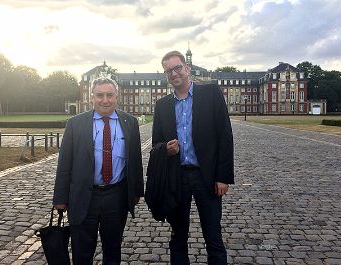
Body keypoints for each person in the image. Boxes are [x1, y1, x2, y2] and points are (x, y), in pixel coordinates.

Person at [151, 51, 234, 264]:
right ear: (165, 75)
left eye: (177, 68)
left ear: (187, 68)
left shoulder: (211, 93)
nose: (174, 73)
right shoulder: (162, 105)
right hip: (176, 178)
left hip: (206, 176)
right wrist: (165, 149)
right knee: (178, 236)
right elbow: (155, 145)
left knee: (213, 236)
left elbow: (225, 135)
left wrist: (223, 177)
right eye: (169, 70)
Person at [53, 77, 144, 265]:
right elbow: (64, 164)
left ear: (117, 97)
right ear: (92, 97)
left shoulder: (130, 122)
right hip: (84, 196)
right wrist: (60, 199)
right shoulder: (75, 123)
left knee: (113, 250)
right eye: (100, 95)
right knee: (82, 251)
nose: (105, 100)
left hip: (116, 196)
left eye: (110, 95)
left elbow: (135, 160)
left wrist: (136, 192)